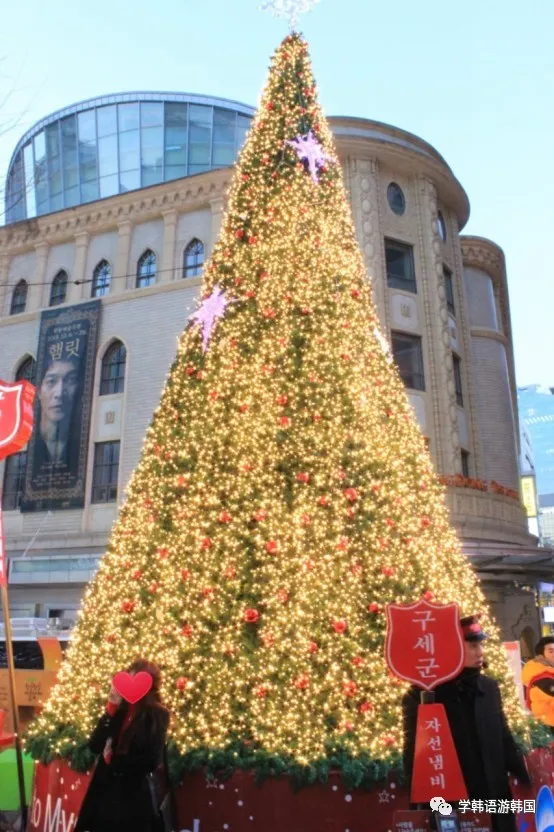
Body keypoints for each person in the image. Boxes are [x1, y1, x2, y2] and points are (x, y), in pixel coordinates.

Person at [402, 615, 530, 832]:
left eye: (480, 645)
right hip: (450, 802)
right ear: (451, 648)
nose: (480, 652)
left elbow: (502, 735)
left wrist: (524, 773)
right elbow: (414, 753)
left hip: (494, 796)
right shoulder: (424, 694)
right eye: (472, 646)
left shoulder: (488, 688)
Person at [75, 659, 170, 832]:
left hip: (132, 797)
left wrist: (114, 760)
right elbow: (95, 745)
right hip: (104, 792)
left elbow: (151, 760)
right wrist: (109, 712)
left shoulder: (157, 714)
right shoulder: (119, 709)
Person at [521, 635, 554, 733]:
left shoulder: (549, 671)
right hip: (549, 727)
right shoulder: (540, 676)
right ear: (541, 655)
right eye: (551, 651)